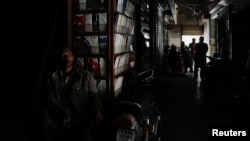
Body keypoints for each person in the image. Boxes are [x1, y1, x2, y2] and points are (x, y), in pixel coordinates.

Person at [38, 46, 103, 141]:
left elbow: (94, 96)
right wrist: (47, 119)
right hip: (58, 121)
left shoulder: (85, 76)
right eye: (63, 55)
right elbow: (45, 100)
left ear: (73, 57)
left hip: (79, 121)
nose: (66, 57)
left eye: (69, 55)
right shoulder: (53, 77)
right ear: (60, 58)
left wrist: (98, 111)